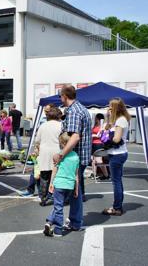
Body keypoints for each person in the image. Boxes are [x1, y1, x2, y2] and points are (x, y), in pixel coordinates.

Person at [53, 84, 91, 232]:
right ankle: (74, 220)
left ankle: (73, 221)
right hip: (79, 157)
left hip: (74, 157)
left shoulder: (74, 111)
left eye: (60, 96)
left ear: (64, 96)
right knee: (76, 189)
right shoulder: (80, 108)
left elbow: (74, 137)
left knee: (71, 190)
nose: (60, 99)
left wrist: (61, 155)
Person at [43, 132, 80, 237]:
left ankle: (58, 230)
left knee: (58, 207)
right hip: (70, 185)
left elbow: (54, 170)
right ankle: (49, 221)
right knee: (59, 205)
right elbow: (76, 175)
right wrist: (76, 189)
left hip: (59, 183)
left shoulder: (60, 155)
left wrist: (51, 183)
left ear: (63, 144)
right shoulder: (76, 156)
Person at [102, 98, 131, 216]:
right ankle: (117, 206)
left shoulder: (121, 120)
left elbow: (116, 139)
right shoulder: (118, 120)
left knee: (116, 182)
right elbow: (107, 128)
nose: (108, 108)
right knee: (117, 181)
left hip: (117, 155)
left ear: (115, 108)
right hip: (116, 154)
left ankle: (117, 208)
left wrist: (107, 141)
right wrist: (108, 117)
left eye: (110, 106)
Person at [20, 104, 56, 197]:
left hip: (53, 154)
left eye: (47, 111)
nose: (45, 113)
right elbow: (38, 140)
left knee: (49, 174)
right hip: (42, 152)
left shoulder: (58, 123)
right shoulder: (43, 122)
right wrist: (36, 150)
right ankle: (32, 190)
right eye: (45, 111)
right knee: (35, 172)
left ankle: (47, 193)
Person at [35, 107, 62, 206]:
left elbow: (37, 140)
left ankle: (43, 198)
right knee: (57, 176)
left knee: (44, 176)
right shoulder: (61, 125)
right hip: (57, 152)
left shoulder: (43, 126)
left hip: (45, 153)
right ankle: (57, 197)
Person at [91, 113, 109, 180]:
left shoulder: (103, 125)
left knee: (99, 160)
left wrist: (93, 135)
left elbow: (101, 135)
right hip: (93, 143)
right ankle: (94, 174)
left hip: (99, 144)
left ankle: (106, 175)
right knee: (93, 160)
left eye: (96, 118)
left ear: (98, 119)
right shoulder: (95, 125)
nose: (95, 119)